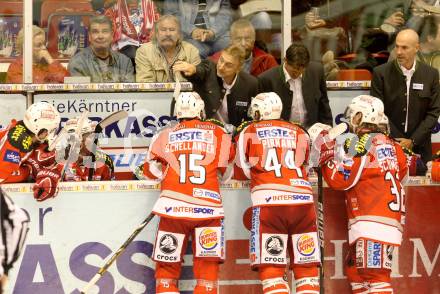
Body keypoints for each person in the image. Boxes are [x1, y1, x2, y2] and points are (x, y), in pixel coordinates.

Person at [142, 92, 234, 293]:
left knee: (166, 269)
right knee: (207, 271)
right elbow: (227, 173)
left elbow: (150, 171)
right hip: (208, 211)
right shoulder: (219, 133)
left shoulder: (164, 135)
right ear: (200, 111)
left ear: (177, 113)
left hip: (173, 209)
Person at [319, 95, 408, 294]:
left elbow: (339, 180)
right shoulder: (393, 145)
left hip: (373, 222)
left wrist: (325, 157)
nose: (350, 120)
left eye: (352, 115)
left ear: (361, 117)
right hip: (388, 219)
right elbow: (403, 174)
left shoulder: (361, 143)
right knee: (355, 271)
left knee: (375, 277)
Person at [234, 92, 320, 294]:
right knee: (306, 267)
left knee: (272, 270)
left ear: (259, 111)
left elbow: (241, 171)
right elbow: (308, 167)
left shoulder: (249, 130)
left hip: (269, 204)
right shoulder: (300, 132)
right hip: (303, 204)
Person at [370, 29, 440, 166]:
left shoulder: (431, 74)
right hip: (388, 147)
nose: (399, 52)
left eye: (404, 47)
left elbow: (433, 112)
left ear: (416, 48)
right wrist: (397, 140)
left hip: (421, 148)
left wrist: (413, 141)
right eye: (397, 46)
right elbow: (377, 111)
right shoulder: (380, 73)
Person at [173, 45, 258, 127]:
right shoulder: (210, 68)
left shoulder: (250, 84)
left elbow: (253, 117)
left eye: (228, 65)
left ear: (238, 68)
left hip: (234, 136)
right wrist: (193, 69)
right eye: (221, 60)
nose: (221, 67)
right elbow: (200, 70)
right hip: (205, 132)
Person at [258, 42, 333, 129]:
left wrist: (328, 129)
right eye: (294, 70)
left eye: (301, 70)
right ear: (285, 60)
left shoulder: (316, 71)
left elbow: (323, 103)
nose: (297, 73)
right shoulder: (267, 79)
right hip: (282, 133)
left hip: (312, 131)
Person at [0, 101, 62, 201]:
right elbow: (1, 175)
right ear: (41, 130)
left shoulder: (25, 132)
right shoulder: (17, 144)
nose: (51, 133)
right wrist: (28, 171)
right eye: (51, 130)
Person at [68, 15, 135, 83]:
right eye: (95, 32)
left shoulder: (124, 62)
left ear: (112, 35)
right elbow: (80, 92)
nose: (100, 36)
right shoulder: (77, 63)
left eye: (105, 31)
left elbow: (129, 92)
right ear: (89, 36)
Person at [135, 15, 201, 82]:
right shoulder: (144, 51)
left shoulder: (191, 51)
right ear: (156, 34)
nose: (168, 34)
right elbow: (144, 83)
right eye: (163, 30)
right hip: (155, 92)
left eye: (172, 30)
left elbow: (198, 83)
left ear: (179, 34)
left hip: (185, 92)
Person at [164, 0, 233, 58]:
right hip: (186, 34)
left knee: (231, 48)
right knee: (197, 52)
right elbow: (172, 15)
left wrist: (213, 32)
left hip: (216, 34)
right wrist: (192, 30)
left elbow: (225, 15)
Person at [209, 19, 277, 77]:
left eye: (247, 39)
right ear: (231, 41)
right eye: (238, 39)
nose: (243, 44)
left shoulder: (267, 61)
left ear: (253, 40)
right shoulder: (217, 61)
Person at [103, 0, 160, 66]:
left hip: (146, 43)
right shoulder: (115, 5)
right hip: (124, 44)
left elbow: (157, 22)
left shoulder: (148, 4)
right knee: (133, 55)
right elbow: (107, 26)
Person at [61, 117, 115, 181]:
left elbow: (111, 189)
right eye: (89, 136)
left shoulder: (104, 160)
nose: (94, 140)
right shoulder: (58, 163)